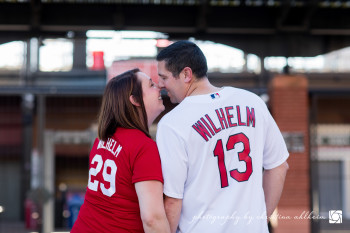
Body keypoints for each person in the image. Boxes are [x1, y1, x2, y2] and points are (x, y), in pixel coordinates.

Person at [156, 40, 289, 233]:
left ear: (186, 74)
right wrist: (259, 221)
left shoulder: (172, 123)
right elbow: (279, 166)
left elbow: (172, 200)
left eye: (164, 77)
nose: (160, 85)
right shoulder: (252, 102)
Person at [71, 69, 170, 233]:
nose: (159, 87)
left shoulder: (101, 140)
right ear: (135, 99)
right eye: (151, 85)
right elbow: (152, 219)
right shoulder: (143, 146)